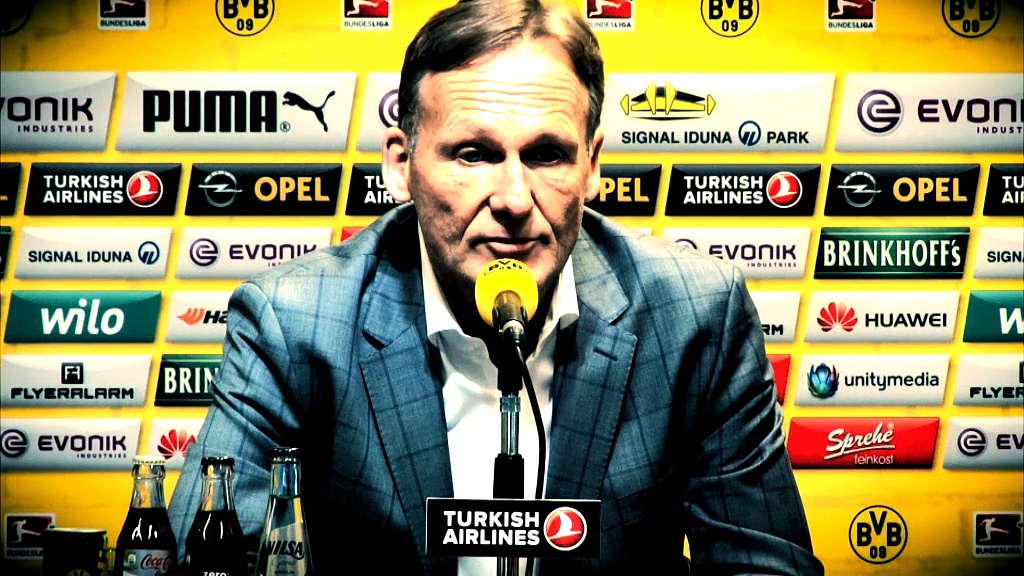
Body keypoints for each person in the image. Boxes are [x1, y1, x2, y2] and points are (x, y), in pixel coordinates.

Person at [168, 0, 824, 574]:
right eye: (473, 154)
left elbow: (761, 564)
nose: (513, 198)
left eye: (546, 155)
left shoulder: (695, 316)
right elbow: (209, 557)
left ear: (592, 164)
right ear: (401, 164)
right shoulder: (296, 322)